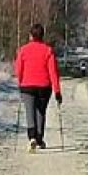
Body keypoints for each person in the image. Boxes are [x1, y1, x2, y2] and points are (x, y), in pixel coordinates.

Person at [14, 23, 62, 151]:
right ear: (42, 36)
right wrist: (57, 91)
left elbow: (18, 69)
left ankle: (31, 138)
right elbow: (53, 72)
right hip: (44, 86)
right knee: (41, 111)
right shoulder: (48, 50)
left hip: (27, 85)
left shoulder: (23, 50)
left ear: (31, 36)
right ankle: (39, 138)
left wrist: (19, 82)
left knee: (30, 112)